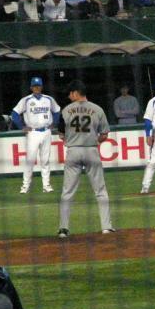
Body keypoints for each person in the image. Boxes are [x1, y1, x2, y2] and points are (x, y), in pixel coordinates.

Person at [56, 80, 115, 238]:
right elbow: (104, 134)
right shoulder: (97, 109)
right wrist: (94, 141)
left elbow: (61, 135)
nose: (69, 96)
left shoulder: (65, 110)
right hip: (91, 150)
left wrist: (71, 140)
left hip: (73, 151)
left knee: (67, 192)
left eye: (70, 93)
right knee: (100, 191)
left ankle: (63, 229)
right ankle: (106, 227)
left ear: (76, 92)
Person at [11, 77, 61, 194]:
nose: (37, 88)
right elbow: (15, 113)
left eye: (38, 86)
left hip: (46, 131)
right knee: (30, 160)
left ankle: (46, 185)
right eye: (34, 86)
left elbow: (57, 111)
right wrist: (22, 126)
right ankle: (25, 186)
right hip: (32, 132)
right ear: (31, 87)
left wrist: (54, 123)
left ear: (42, 87)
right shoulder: (26, 100)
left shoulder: (49, 99)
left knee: (45, 160)